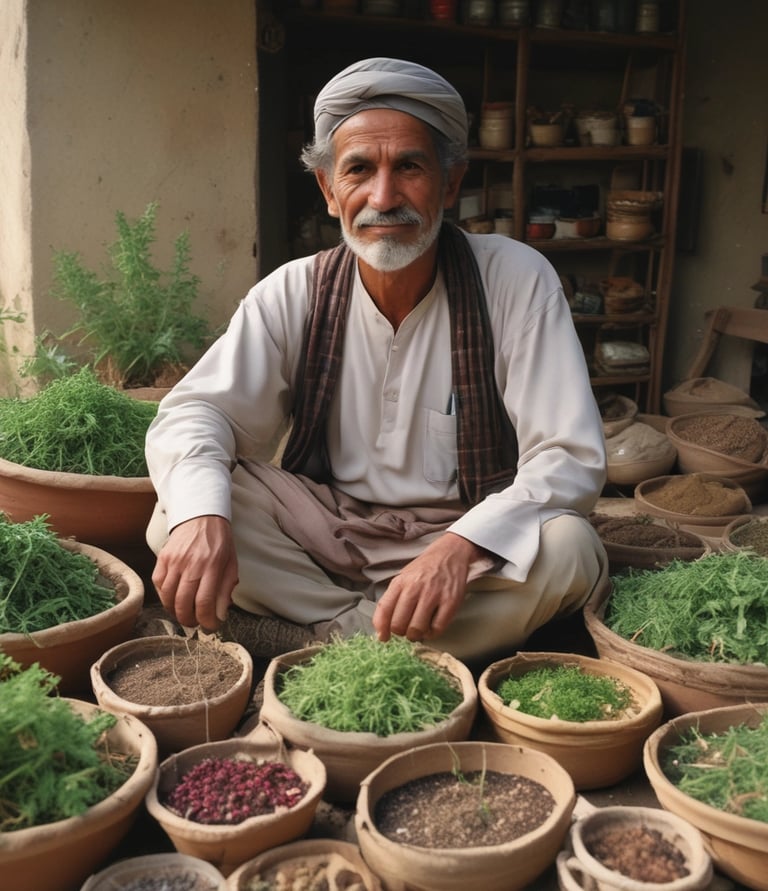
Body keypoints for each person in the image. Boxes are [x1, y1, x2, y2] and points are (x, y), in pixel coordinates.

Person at [145, 57, 608, 664]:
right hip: (329, 531)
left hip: (465, 534)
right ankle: (386, 639)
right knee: (180, 511)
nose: (383, 197)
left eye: (410, 167)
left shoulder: (516, 279)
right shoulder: (295, 290)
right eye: (359, 169)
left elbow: (567, 456)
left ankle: (323, 641)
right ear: (329, 190)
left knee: (569, 547)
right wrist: (201, 520)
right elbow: (198, 413)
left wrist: (462, 546)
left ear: (449, 184)